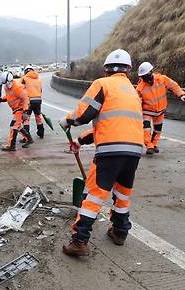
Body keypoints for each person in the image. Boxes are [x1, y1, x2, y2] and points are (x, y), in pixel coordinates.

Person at [59, 49, 144, 257]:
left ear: (106, 69)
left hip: (109, 152)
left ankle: (79, 241)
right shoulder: (133, 91)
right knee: (123, 194)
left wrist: (68, 120)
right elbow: (112, 124)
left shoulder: (102, 84)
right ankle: (120, 232)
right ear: (129, 69)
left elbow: (84, 114)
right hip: (133, 152)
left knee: (94, 196)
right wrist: (80, 140)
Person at [136, 62, 185, 155]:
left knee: (157, 129)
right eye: (143, 77)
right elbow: (137, 100)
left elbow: (174, 86)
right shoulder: (140, 87)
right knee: (146, 129)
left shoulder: (162, 79)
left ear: (151, 72)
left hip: (160, 111)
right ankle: (149, 146)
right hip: (147, 111)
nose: (145, 79)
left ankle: (154, 144)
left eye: (146, 76)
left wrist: (181, 94)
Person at [0, 72, 33, 151]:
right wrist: (0, 99)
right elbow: (9, 96)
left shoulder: (18, 88)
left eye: (6, 83)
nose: (5, 85)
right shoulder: (7, 87)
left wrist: (25, 112)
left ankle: (12, 146)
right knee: (18, 126)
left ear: (10, 81)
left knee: (13, 125)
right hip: (16, 109)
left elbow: (26, 99)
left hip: (21, 109)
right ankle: (29, 139)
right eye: (4, 83)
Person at [21, 65, 46, 139]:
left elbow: (21, 90)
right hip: (38, 100)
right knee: (38, 116)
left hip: (28, 101)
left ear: (25, 71)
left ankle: (26, 136)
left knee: (26, 118)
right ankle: (41, 133)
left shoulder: (24, 79)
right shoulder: (38, 79)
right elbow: (41, 90)